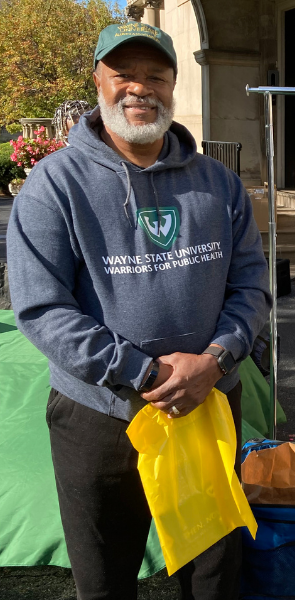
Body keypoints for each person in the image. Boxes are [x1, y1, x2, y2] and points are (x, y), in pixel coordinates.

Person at [8, 22, 270, 600]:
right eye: (123, 73)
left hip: (206, 406)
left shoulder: (219, 185)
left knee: (212, 579)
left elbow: (252, 287)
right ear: (98, 80)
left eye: (156, 75)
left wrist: (215, 359)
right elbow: (40, 307)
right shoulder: (55, 184)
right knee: (104, 582)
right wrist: (143, 372)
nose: (139, 88)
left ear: (174, 86)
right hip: (99, 418)